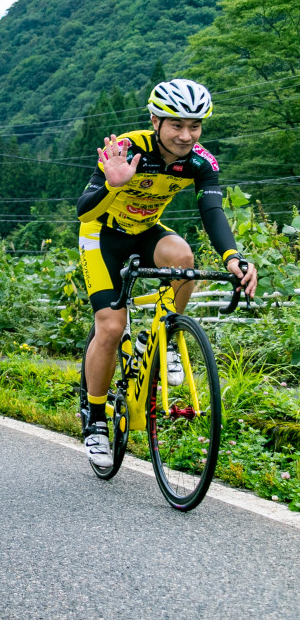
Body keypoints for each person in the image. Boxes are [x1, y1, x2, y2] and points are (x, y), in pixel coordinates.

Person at [77, 78, 257, 467]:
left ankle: (163, 339)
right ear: (155, 121)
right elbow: (84, 211)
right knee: (109, 327)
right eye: (176, 125)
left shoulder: (200, 163)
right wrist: (112, 184)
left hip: (144, 232)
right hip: (102, 234)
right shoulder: (125, 149)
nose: (186, 135)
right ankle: (93, 420)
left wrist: (233, 257)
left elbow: (212, 212)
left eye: (195, 126)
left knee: (182, 255)